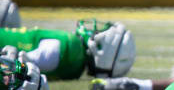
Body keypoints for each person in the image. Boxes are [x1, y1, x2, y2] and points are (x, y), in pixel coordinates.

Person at [0, 19, 135, 80]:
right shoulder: (74, 70)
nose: (95, 30)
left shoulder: (73, 47)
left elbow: (21, 61)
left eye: (102, 31)